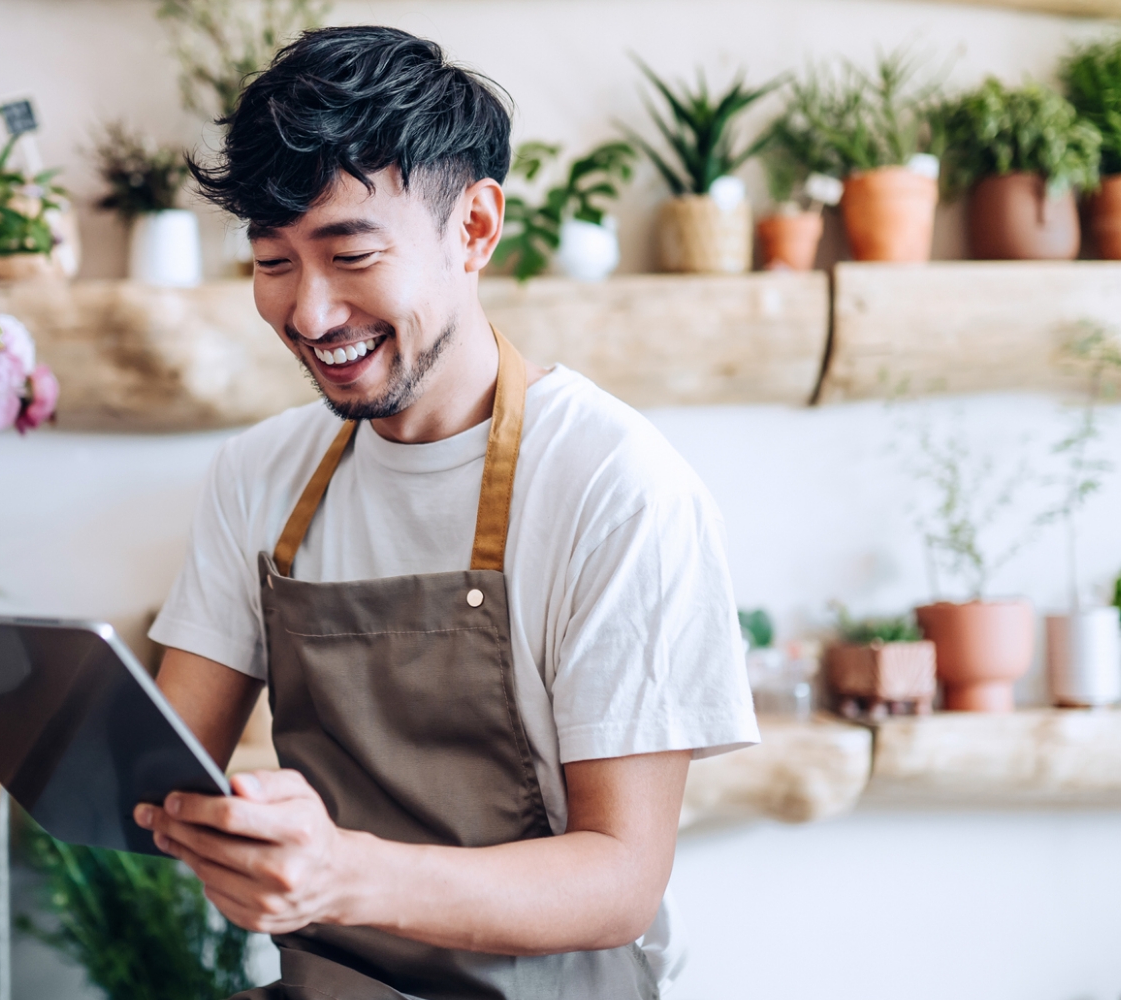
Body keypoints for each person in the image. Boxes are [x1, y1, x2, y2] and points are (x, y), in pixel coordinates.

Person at [135, 25, 759, 1000]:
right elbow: (161, 773)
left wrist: (342, 871)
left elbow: (621, 879)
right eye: (271, 262)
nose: (306, 313)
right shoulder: (258, 474)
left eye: (349, 254)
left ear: (472, 229)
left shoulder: (615, 485)